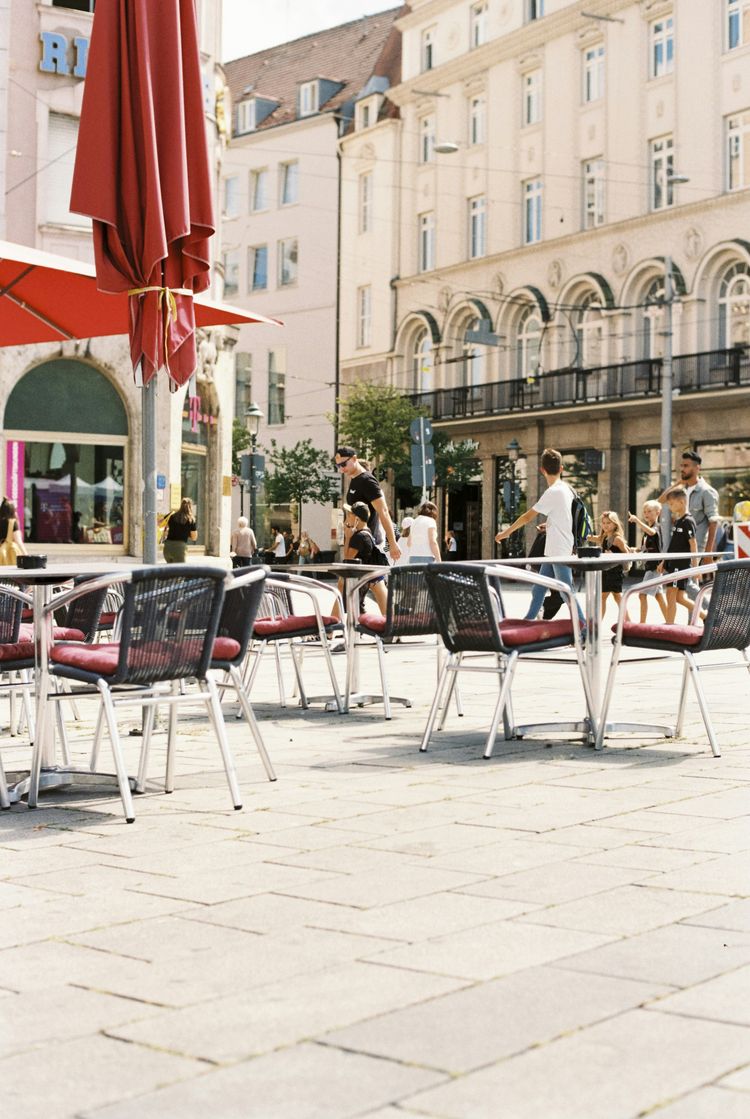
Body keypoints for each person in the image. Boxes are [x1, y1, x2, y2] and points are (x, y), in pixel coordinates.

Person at [495, 447, 584, 626]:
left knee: (567, 592)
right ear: (561, 469)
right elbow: (564, 517)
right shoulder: (567, 489)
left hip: (559, 550)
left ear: (542, 469)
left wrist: (506, 532)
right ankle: (528, 622)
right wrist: (549, 525)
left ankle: (584, 627)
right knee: (539, 588)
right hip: (555, 548)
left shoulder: (553, 491)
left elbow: (527, 516)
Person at [334, 446, 401, 563]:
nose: (341, 469)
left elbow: (383, 511)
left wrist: (392, 543)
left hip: (366, 543)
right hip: (356, 540)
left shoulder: (367, 481)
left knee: (370, 580)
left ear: (354, 459)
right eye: (338, 466)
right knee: (347, 580)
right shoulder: (354, 479)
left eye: (343, 464)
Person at [658, 450, 720, 562]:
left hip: (696, 550)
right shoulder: (682, 490)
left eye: (686, 466)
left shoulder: (707, 491)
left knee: (693, 579)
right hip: (679, 546)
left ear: (697, 468)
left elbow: (714, 522)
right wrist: (678, 484)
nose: (682, 469)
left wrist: (708, 553)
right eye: (681, 466)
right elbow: (661, 500)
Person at [657, 486, 698, 623]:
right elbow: (674, 545)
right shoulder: (679, 520)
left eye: (671, 504)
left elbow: (693, 544)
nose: (669, 507)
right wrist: (664, 561)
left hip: (680, 565)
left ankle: (669, 624)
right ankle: (707, 616)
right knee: (680, 598)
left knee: (671, 595)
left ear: (681, 502)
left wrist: (695, 566)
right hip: (672, 563)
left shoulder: (688, 521)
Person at [343, 501, 388, 614]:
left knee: (386, 614)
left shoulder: (359, 537)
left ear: (357, 519)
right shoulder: (367, 532)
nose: (347, 517)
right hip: (375, 576)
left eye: (349, 514)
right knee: (385, 612)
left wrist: (348, 537)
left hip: (368, 578)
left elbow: (347, 558)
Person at [628, 501, 668, 622]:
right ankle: (670, 621)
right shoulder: (648, 529)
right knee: (659, 596)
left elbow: (652, 533)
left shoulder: (656, 527)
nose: (646, 514)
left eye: (649, 511)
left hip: (654, 567)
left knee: (642, 595)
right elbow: (646, 547)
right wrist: (636, 549)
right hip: (651, 566)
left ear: (658, 512)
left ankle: (642, 624)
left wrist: (636, 521)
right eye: (645, 512)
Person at [588, 511, 630, 618]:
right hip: (606, 571)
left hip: (614, 572)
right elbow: (595, 538)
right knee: (616, 597)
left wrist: (614, 554)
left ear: (615, 524)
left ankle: (597, 624)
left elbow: (627, 554)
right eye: (604, 523)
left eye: (608, 523)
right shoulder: (604, 537)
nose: (605, 525)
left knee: (604, 597)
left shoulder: (617, 539)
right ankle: (629, 621)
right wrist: (582, 535)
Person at [162, 498, 197, 563]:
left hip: (167, 547)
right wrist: (186, 533)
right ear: (190, 507)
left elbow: (170, 530)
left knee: (170, 571)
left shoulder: (172, 516)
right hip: (180, 548)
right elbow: (194, 538)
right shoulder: (190, 519)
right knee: (179, 571)